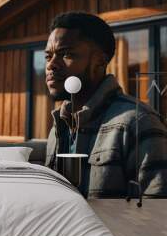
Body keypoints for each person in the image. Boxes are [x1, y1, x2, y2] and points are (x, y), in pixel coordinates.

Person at [44, 11, 167, 198]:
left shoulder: (138, 123)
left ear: (99, 61)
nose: (51, 65)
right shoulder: (59, 126)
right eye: (48, 56)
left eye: (66, 54)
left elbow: (158, 214)